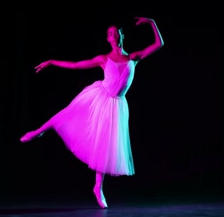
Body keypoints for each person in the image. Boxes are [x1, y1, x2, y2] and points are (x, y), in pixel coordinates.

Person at [20, 17, 164, 208]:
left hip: (118, 106)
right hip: (101, 98)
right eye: (110, 34)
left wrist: (151, 22)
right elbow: (75, 65)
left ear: (122, 35)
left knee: (105, 146)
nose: (113, 36)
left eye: (116, 32)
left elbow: (159, 44)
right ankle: (38, 131)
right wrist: (52, 62)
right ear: (108, 39)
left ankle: (98, 188)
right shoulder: (104, 59)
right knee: (68, 114)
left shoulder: (133, 58)